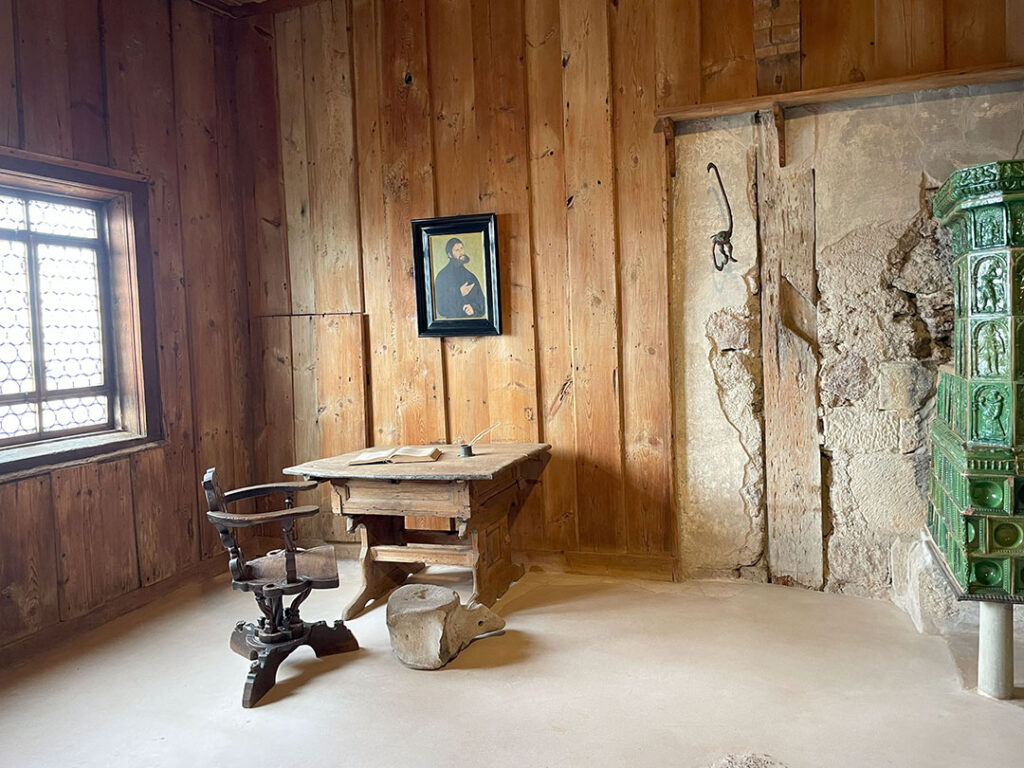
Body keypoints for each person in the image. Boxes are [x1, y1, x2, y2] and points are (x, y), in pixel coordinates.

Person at [433, 237, 485, 319]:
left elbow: (482, 304)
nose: (461, 252)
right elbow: (440, 307)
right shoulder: (442, 276)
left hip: (472, 324)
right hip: (451, 325)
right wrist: (458, 292)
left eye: (461, 248)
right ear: (449, 255)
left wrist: (473, 309)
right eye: (457, 250)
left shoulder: (470, 276)